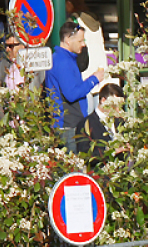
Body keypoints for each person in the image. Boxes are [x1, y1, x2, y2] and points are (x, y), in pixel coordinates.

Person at [43, 21, 106, 151]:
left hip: (68, 123)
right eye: (80, 41)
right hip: (68, 125)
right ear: (67, 40)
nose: (83, 44)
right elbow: (71, 94)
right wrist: (94, 79)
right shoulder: (63, 61)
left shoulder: (64, 59)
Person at [74, 81, 123, 165]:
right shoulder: (86, 124)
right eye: (115, 105)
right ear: (103, 100)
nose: (118, 110)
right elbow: (85, 156)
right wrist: (112, 151)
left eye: (120, 106)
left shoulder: (121, 122)